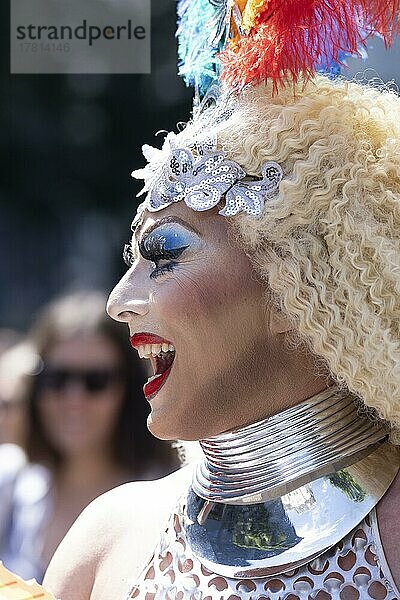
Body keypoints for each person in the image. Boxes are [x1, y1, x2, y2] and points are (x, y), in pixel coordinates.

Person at [43, 3, 400, 598]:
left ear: (294, 288)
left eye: (165, 254)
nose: (119, 301)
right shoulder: (107, 545)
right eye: (131, 261)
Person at [0, 291, 178, 583]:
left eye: (96, 381)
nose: (74, 399)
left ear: (130, 389)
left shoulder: (167, 499)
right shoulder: (9, 485)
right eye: (57, 379)